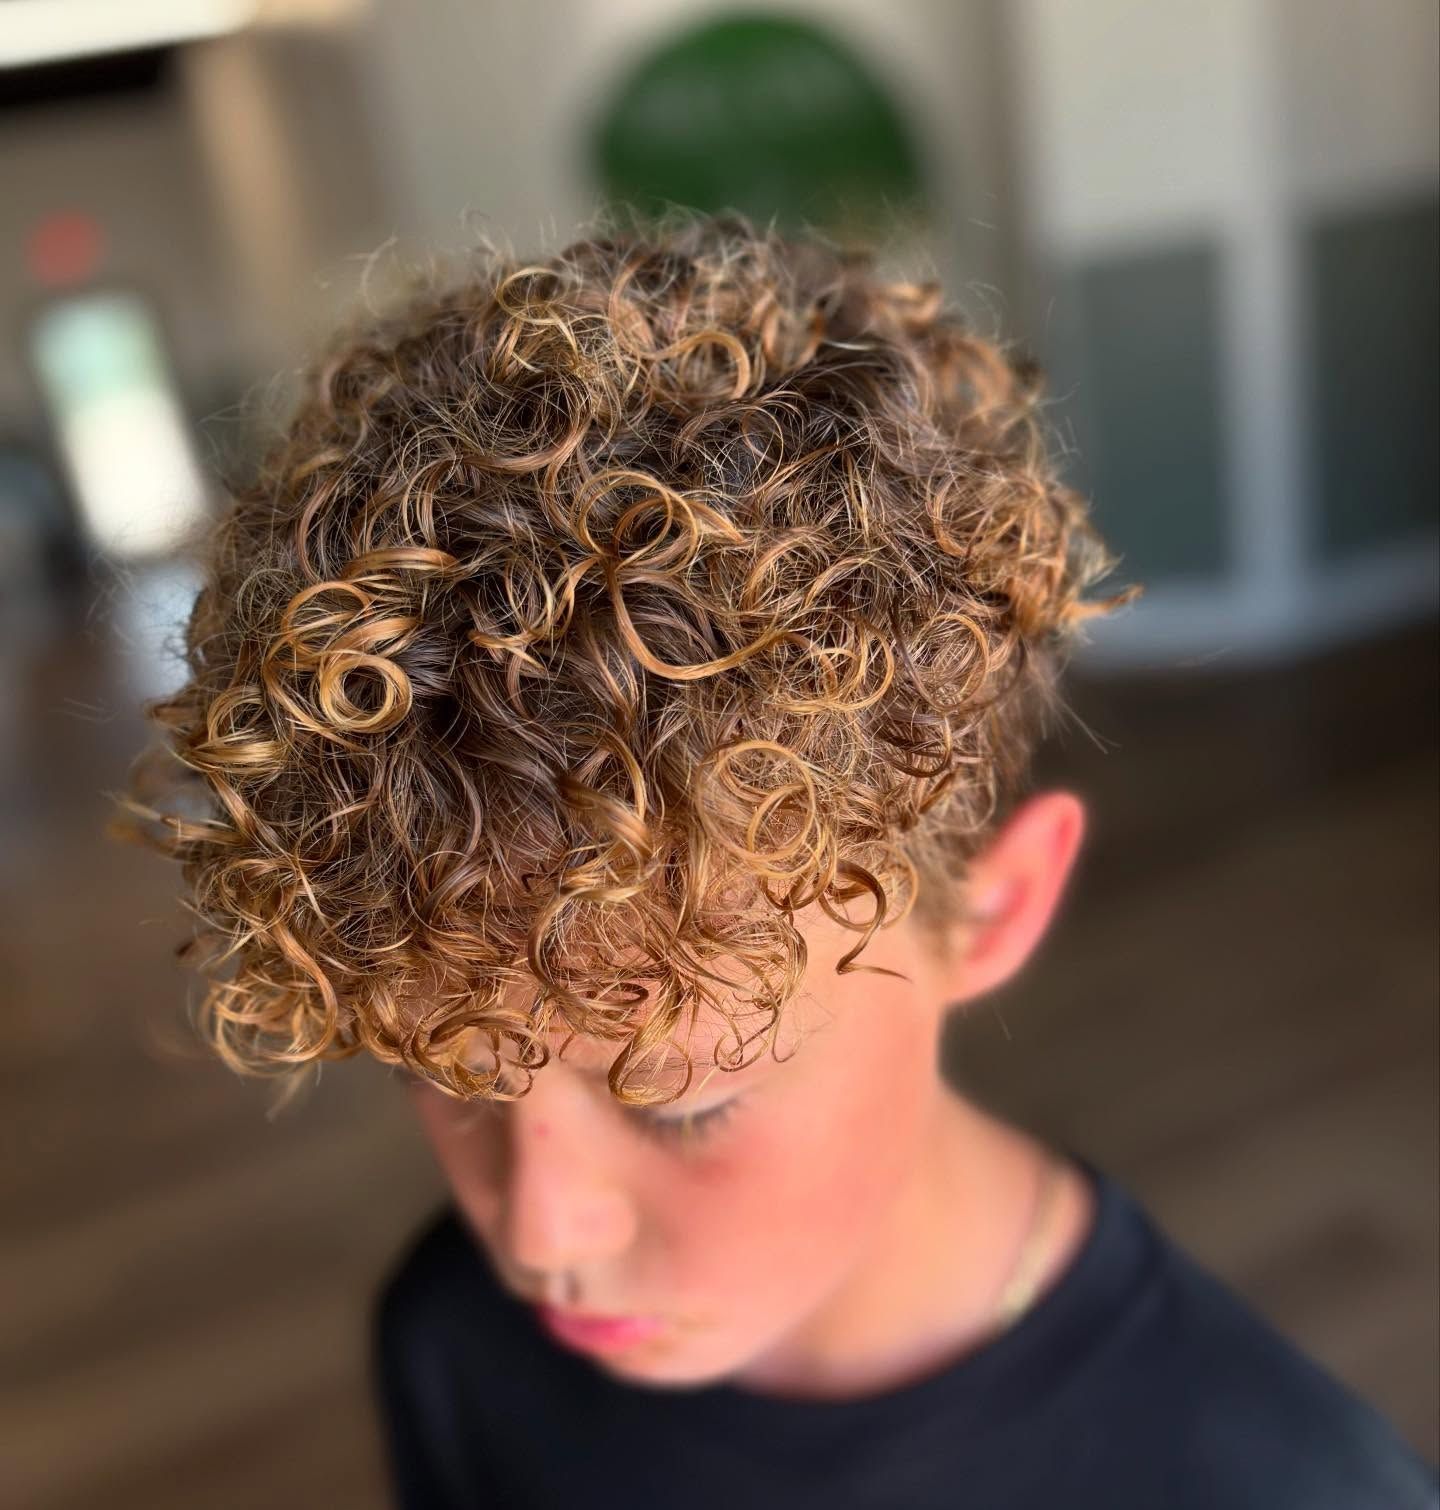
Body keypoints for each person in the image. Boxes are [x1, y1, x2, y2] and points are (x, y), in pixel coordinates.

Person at [116, 214, 1438, 1508]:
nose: (537, 1236)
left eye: (682, 1097)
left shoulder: (1281, 1479)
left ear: (993, 905)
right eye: (447, 1074)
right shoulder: (454, 1344)